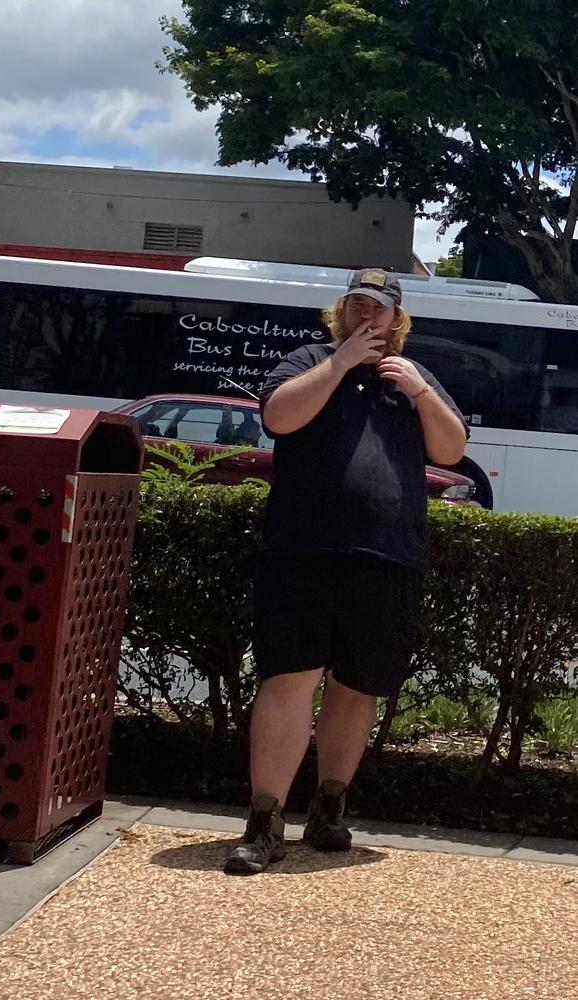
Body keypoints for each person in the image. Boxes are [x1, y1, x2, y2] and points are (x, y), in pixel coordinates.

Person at [224, 268, 469, 875]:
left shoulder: (413, 377)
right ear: (340, 313)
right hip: (302, 550)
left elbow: (450, 449)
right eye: (356, 305)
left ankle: (329, 808)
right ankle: (265, 822)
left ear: (396, 321)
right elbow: (279, 418)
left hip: (387, 556)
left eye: (378, 310)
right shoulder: (308, 360)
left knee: (357, 686)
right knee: (288, 678)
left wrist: (418, 390)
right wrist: (339, 364)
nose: (366, 316)